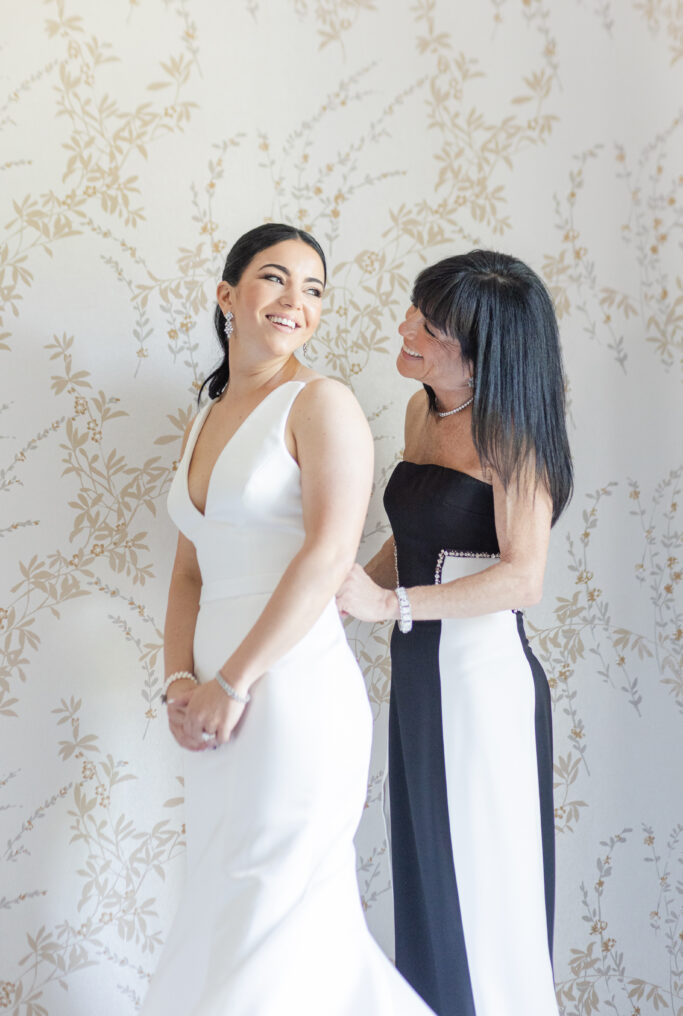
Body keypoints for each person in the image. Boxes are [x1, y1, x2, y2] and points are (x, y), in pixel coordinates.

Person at [141, 223, 434, 1015]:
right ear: (227, 294)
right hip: (209, 700)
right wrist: (179, 679)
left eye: (312, 290)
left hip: (289, 688)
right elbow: (189, 569)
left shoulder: (321, 403)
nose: (293, 303)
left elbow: (327, 555)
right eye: (274, 279)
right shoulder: (206, 416)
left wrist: (234, 679)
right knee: (220, 904)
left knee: (272, 909)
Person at [336, 250, 573, 1016]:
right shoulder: (421, 412)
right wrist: (347, 591)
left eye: (429, 326)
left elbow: (521, 579)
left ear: (481, 357)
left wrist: (388, 606)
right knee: (430, 881)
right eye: (413, 309)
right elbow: (414, 536)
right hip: (419, 677)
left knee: (482, 891)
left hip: (480, 685)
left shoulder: (512, 437)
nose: (404, 327)